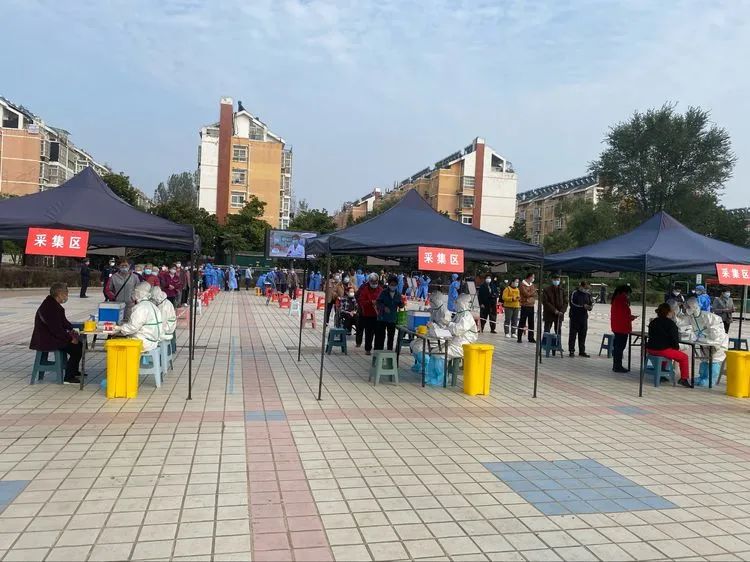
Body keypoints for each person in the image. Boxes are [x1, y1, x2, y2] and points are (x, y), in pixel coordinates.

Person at [29, 283, 82, 384]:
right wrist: (70, 339)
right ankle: (68, 377)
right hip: (47, 339)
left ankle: (73, 371)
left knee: (80, 344)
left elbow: (64, 322)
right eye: (66, 293)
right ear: (59, 294)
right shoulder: (50, 307)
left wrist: (72, 330)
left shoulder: (53, 305)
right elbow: (56, 329)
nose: (67, 296)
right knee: (76, 349)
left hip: (52, 336)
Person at [647, 303, 692, 388]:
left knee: (668, 353)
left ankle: (662, 372)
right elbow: (674, 340)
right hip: (662, 350)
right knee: (684, 357)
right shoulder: (670, 323)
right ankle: (684, 378)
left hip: (650, 348)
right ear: (669, 312)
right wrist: (676, 348)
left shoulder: (653, 322)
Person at [114, 282, 163, 353]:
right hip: (153, 341)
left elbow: (133, 327)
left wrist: (118, 328)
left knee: (118, 344)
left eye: (134, 292)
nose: (133, 294)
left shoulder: (140, 308)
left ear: (138, 293)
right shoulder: (153, 306)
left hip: (144, 343)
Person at [610, 285, 637, 373]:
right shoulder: (622, 300)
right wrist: (631, 317)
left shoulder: (616, 299)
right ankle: (618, 366)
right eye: (628, 293)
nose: (629, 295)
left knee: (617, 347)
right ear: (625, 292)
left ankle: (616, 365)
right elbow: (624, 316)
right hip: (622, 328)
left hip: (617, 326)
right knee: (620, 347)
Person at [445, 294, 479, 358]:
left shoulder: (467, 316)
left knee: (440, 353)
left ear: (462, 303)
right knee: (437, 350)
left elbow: (457, 330)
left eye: (457, 302)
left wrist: (448, 324)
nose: (455, 304)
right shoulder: (459, 314)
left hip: (463, 345)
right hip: (456, 342)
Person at [356, 273, 382, 354]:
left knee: (378, 333)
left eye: (376, 282)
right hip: (367, 315)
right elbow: (361, 301)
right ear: (369, 281)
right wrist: (370, 302)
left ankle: (377, 349)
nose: (374, 284)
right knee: (368, 333)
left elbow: (383, 300)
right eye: (373, 282)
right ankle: (368, 349)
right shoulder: (365, 289)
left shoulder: (380, 289)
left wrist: (378, 303)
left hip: (378, 315)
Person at [375, 276, 403, 351]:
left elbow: (400, 304)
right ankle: (379, 351)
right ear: (389, 284)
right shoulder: (383, 292)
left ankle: (389, 351)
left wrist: (402, 304)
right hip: (382, 318)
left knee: (391, 337)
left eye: (395, 285)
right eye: (392, 284)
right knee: (381, 336)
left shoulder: (398, 294)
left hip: (392, 318)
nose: (393, 286)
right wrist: (384, 307)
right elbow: (378, 302)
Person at [568, 281, 593, 357]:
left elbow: (591, 303)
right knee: (573, 335)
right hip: (574, 317)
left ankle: (582, 351)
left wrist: (590, 307)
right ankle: (571, 350)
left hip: (584, 317)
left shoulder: (588, 294)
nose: (586, 290)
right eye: (585, 288)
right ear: (581, 286)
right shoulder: (574, 293)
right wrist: (583, 306)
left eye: (587, 288)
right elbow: (572, 303)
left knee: (583, 334)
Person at [517, 272, 538, 344]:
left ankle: (531, 337)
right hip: (525, 305)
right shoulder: (522, 284)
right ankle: (519, 337)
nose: (533, 278)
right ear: (529, 277)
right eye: (533, 277)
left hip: (531, 305)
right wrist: (533, 291)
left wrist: (531, 293)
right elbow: (526, 294)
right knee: (522, 321)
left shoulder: (532, 285)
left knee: (531, 322)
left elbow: (535, 294)